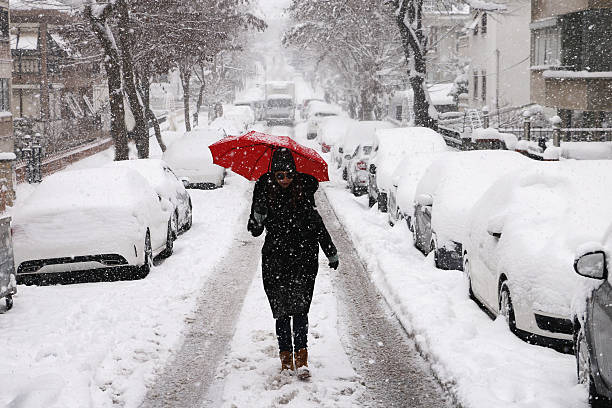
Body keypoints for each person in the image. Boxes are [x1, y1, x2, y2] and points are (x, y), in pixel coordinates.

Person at [247, 148, 339, 380]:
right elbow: (255, 231)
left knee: (299, 310)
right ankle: (286, 359)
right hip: (275, 261)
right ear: (274, 175)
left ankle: (302, 358)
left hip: (303, 260)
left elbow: (317, 225)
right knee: (281, 312)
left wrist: (331, 252)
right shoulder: (264, 192)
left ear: (295, 173)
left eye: (289, 174)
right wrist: (257, 216)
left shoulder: (304, 192)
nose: (285, 179)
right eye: (280, 175)